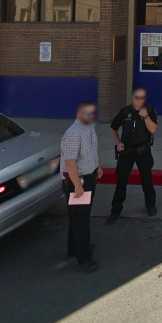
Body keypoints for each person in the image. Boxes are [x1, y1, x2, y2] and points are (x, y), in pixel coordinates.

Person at [61, 101, 102, 272]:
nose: (90, 116)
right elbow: (70, 162)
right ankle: (84, 259)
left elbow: (93, 150)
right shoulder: (72, 134)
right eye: (87, 113)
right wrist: (77, 186)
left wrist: (98, 166)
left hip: (89, 178)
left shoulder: (89, 128)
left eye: (92, 113)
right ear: (79, 114)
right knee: (81, 221)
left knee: (77, 217)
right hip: (78, 182)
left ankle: (74, 248)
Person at [108, 87, 158, 223]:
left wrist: (145, 116)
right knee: (121, 181)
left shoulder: (150, 110)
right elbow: (113, 128)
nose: (139, 100)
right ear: (132, 98)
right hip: (127, 151)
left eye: (142, 98)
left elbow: (153, 129)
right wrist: (118, 142)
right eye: (137, 97)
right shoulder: (125, 112)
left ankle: (151, 205)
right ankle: (115, 210)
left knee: (147, 180)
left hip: (143, 151)